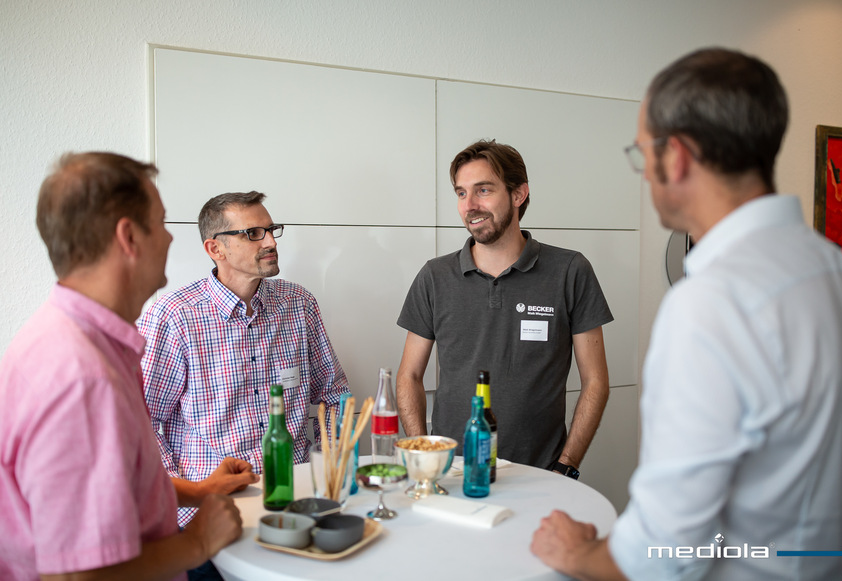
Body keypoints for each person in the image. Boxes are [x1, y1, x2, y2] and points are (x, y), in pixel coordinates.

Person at [531, 48, 842, 581]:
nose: (645, 177)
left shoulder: (708, 305)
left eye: (644, 156)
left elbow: (661, 556)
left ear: (679, 156)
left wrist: (575, 551)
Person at [0, 152, 242, 581]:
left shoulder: (67, 339)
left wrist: (202, 490)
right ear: (129, 237)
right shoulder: (82, 378)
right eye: (163, 223)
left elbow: (111, 486)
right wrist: (198, 543)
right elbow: (79, 576)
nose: (170, 239)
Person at [396, 140, 613, 476]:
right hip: (453, 474)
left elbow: (596, 381)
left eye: (483, 190)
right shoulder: (434, 276)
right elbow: (409, 376)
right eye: (461, 193)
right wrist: (424, 455)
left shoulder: (569, 270)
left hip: (540, 474)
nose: (470, 205)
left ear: (518, 194)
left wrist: (566, 466)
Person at [138, 190, 350, 528]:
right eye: (252, 233)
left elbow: (335, 396)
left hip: (298, 494)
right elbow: (140, 420)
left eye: (270, 229)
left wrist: (328, 467)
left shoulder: (299, 304)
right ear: (215, 248)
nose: (270, 242)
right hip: (211, 508)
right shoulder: (174, 317)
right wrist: (181, 498)